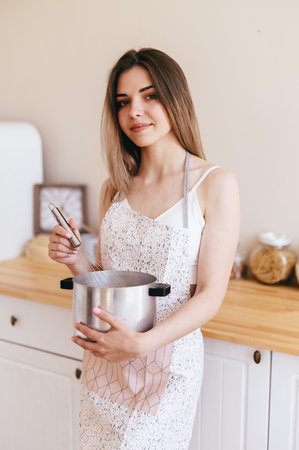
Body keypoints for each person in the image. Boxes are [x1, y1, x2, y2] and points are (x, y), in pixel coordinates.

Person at [48, 48, 240, 449]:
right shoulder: (114, 186)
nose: (135, 110)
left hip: (167, 370)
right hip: (107, 363)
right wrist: (74, 260)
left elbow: (210, 295)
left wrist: (143, 344)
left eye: (150, 95)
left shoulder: (215, 184)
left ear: (176, 99)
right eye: (123, 102)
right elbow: (107, 278)